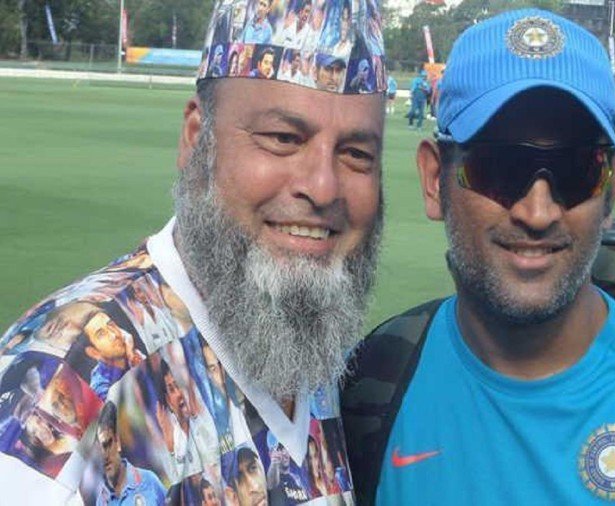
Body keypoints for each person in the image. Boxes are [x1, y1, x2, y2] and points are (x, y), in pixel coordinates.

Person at [342, 8, 615, 505]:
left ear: (612, 188)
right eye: (499, 167)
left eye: (576, 169)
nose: (537, 213)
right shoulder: (360, 393)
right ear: (433, 180)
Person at [0, 0, 388, 502]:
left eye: (356, 154)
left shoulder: (305, 341)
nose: (323, 187)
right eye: (282, 138)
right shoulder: (67, 382)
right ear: (195, 138)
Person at [95, 401, 166, 505]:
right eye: (98, 450)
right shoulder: (101, 502)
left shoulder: (149, 482)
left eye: (107, 445)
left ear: (117, 442)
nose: (104, 455)